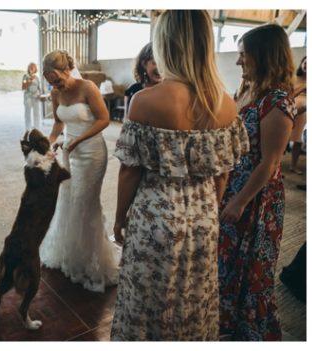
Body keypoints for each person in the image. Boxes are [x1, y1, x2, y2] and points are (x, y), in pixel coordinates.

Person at [110, 10, 248, 340]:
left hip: (155, 219)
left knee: (146, 301)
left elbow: (129, 171)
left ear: (164, 43)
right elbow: (222, 176)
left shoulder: (144, 101)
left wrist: (118, 217)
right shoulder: (226, 104)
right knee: (193, 299)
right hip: (203, 220)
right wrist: (205, 213)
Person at [218, 23, 297, 341]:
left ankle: (249, 330)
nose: (238, 62)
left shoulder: (278, 102)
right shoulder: (248, 89)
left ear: (262, 56)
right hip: (233, 186)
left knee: (249, 265)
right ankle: (225, 321)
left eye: (242, 55)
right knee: (227, 258)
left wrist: (239, 201)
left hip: (255, 198)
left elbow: (271, 162)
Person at [38, 50, 119, 293]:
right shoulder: (55, 92)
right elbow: (58, 122)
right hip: (68, 151)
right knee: (68, 200)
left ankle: (90, 261)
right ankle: (71, 255)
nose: (56, 85)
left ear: (67, 70)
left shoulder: (88, 88)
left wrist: (78, 140)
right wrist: (50, 141)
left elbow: (103, 120)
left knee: (85, 203)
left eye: (58, 80)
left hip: (91, 152)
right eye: (51, 82)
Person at [123, 43, 163, 120]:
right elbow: (127, 118)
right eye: (155, 63)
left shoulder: (171, 92)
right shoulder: (134, 90)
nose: (159, 68)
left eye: (163, 64)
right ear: (144, 64)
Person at [288, 56, 306, 174]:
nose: (307, 66)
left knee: (298, 140)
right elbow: (290, 93)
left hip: (305, 110)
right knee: (284, 137)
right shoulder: (295, 78)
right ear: (301, 63)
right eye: (305, 63)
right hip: (293, 107)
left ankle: (293, 165)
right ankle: (275, 166)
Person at [22, 62, 44, 131]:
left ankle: (37, 129)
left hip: (36, 97)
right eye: (30, 67)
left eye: (33, 67)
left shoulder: (37, 77)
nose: (32, 68)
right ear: (28, 68)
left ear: (35, 69)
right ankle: (27, 129)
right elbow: (23, 87)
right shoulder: (25, 76)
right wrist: (31, 79)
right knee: (27, 114)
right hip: (28, 97)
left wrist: (40, 94)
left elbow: (38, 87)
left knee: (37, 114)